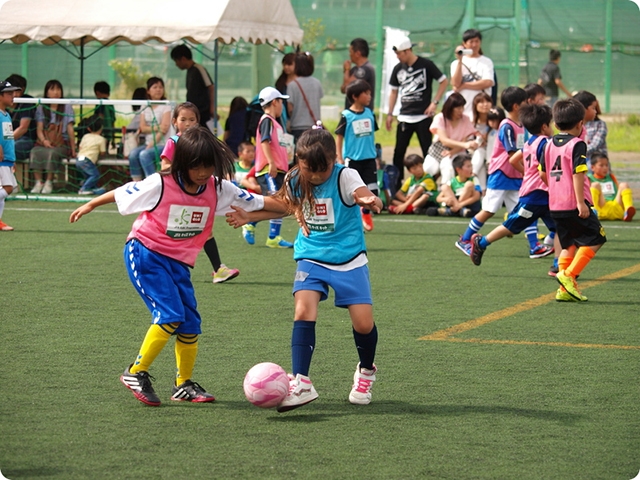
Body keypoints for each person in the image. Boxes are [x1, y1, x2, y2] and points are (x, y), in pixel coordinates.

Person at [69, 126, 285, 406]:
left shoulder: (219, 189)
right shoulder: (160, 183)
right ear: (183, 162)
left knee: (190, 323)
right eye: (197, 166)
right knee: (170, 314)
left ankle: (183, 384)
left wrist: (291, 205)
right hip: (145, 253)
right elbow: (123, 192)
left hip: (178, 263)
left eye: (209, 166)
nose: (204, 172)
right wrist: (91, 204)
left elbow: (259, 202)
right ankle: (135, 372)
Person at [225, 128, 382, 412]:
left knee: (363, 324)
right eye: (309, 170)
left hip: (349, 258)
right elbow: (285, 205)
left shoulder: (345, 175)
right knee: (303, 310)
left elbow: (362, 192)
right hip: (311, 255)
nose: (315, 177)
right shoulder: (296, 177)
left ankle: (366, 371)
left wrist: (369, 199)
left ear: (333, 161)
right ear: (299, 161)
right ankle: (301, 381)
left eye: (321, 171)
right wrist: (251, 216)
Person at [160, 102, 240, 284]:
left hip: (197, 195)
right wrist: (181, 169)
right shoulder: (174, 142)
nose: (188, 124)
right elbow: (164, 166)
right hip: (178, 195)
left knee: (203, 229)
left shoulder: (202, 142)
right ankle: (172, 267)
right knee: (179, 231)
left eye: (192, 119)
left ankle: (218, 269)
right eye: (183, 119)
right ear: (174, 122)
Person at [469, 104, 558, 267]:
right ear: (544, 127)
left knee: (560, 228)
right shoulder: (545, 143)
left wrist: (526, 172)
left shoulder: (530, 142)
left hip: (543, 195)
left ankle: (558, 264)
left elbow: (513, 159)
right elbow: (542, 171)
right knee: (510, 226)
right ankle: (481, 243)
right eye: (550, 124)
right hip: (534, 195)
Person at [540, 98, 607, 302]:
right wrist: (580, 202)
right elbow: (578, 174)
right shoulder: (578, 144)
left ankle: (563, 290)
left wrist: (556, 188)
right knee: (597, 237)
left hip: (556, 203)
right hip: (573, 202)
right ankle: (568, 275)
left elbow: (543, 173)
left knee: (569, 243)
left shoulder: (548, 143)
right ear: (580, 124)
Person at [456, 86, 527, 255]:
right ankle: (465, 239)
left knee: (523, 210)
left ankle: (535, 246)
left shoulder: (522, 125)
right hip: (501, 173)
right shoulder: (507, 125)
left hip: (515, 174)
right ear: (516, 106)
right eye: (525, 102)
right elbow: (512, 155)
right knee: (488, 210)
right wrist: (526, 171)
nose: (528, 104)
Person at [385, 35, 448, 191]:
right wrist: (390, 113)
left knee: (428, 151)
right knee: (398, 152)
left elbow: (444, 81)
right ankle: (397, 184)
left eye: (399, 53)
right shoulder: (398, 68)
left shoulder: (426, 65)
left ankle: (429, 184)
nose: (398, 57)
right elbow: (393, 91)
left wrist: (435, 102)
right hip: (404, 117)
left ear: (407, 51)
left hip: (424, 117)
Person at [335, 79, 379, 231]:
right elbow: (339, 137)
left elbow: (372, 136)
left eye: (370, 93)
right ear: (355, 96)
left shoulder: (370, 114)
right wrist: (339, 157)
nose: (369, 96)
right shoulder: (346, 116)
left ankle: (365, 212)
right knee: (350, 191)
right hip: (353, 160)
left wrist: (376, 156)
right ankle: (350, 219)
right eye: (366, 94)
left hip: (369, 160)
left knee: (373, 191)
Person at [255, 86, 295, 248]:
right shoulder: (267, 121)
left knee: (279, 203)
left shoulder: (274, 123)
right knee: (276, 202)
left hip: (278, 169)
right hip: (268, 169)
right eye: (281, 102)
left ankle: (271, 235)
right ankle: (257, 226)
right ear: (274, 102)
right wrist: (271, 162)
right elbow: (265, 142)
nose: (282, 106)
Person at [29, 79, 77, 194]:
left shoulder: (67, 107)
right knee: (35, 151)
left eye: (58, 89)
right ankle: (39, 182)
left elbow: (70, 129)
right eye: (53, 89)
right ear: (47, 92)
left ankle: (49, 182)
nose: (56, 92)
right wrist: (44, 141)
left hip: (62, 143)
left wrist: (73, 149)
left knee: (52, 153)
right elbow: (39, 129)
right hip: (45, 142)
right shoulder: (41, 107)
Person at [422, 92, 479, 186]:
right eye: (458, 108)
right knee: (428, 168)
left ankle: (447, 192)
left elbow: (464, 140)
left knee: (448, 169)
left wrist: (452, 152)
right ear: (450, 108)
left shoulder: (466, 119)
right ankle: (427, 190)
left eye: (462, 107)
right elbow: (444, 140)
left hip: (458, 151)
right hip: (439, 149)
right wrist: (465, 145)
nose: (461, 110)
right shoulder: (440, 118)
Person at [128, 77, 171, 181]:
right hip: (148, 144)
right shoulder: (145, 105)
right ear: (148, 90)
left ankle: (153, 183)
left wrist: (151, 144)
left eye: (160, 87)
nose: (158, 89)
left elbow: (164, 129)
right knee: (133, 155)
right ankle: (137, 184)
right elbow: (142, 128)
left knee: (144, 154)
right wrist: (158, 127)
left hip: (163, 145)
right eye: (155, 87)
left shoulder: (167, 106)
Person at [450, 29, 495, 120]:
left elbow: (487, 82)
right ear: (464, 44)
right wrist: (460, 60)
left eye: (477, 41)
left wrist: (464, 85)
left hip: (481, 111)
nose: (474, 45)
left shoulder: (486, 61)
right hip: (463, 110)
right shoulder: (455, 63)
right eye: (471, 42)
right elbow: (455, 83)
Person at [170, 44, 215, 128]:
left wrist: (212, 108)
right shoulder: (190, 71)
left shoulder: (199, 69)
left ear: (183, 59)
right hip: (192, 112)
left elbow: (211, 87)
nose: (176, 64)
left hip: (203, 113)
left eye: (176, 61)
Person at [428, 153, 481, 217]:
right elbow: (438, 198)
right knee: (444, 187)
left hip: (470, 205)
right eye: (468, 166)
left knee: (469, 184)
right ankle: (459, 211)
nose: (471, 169)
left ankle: (450, 211)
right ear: (458, 169)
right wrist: (446, 200)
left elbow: (476, 197)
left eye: (471, 166)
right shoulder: (452, 181)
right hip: (457, 203)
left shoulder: (474, 179)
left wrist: (460, 205)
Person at [588, 151, 635, 222]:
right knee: (595, 185)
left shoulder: (611, 177)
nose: (605, 168)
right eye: (601, 165)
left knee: (623, 185)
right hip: (601, 208)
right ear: (592, 167)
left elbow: (618, 190)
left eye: (606, 165)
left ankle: (627, 210)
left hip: (616, 207)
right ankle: (593, 211)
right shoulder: (589, 178)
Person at [286, 52, 324, 142]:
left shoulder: (292, 85)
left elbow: (290, 109)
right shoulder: (317, 83)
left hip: (297, 127)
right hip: (314, 126)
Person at [0, 80, 21, 231]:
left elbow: (7, 138)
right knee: (8, 188)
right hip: (1, 159)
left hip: (7, 159)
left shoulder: (6, 114)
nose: (13, 96)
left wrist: (12, 159)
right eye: (9, 94)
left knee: (10, 187)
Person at [6, 74, 37, 161]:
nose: (14, 94)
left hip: (25, 140)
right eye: (11, 91)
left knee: (11, 149)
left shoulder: (27, 102)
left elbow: (23, 128)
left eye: (17, 91)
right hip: (6, 140)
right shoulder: (4, 102)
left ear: (23, 90)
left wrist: (5, 143)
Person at [340, 38, 376, 110]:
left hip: (360, 114)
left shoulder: (365, 70)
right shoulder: (354, 70)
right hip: (352, 112)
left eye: (351, 52)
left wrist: (347, 70)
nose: (349, 55)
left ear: (357, 53)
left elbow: (347, 87)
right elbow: (343, 89)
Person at [75, 115, 107, 195]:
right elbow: (103, 152)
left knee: (88, 175)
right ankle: (84, 188)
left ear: (88, 128)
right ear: (101, 128)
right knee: (95, 175)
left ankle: (92, 188)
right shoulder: (101, 139)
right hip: (87, 160)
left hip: (78, 160)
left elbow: (80, 147)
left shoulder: (85, 136)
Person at [573, 90, 607, 159]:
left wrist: (575, 152)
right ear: (582, 109)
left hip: (595, 165)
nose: (596, 111)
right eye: (593, 108)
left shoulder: (600, 125)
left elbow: (594, 146)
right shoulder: (573, 126)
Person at [470, 92, 493, 191]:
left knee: (482, 151)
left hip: (492, 152)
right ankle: (483, 192)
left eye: (488, 101)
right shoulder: (471, 122)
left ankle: (472, 174)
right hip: (476, 152)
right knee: (480, 152)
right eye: (481, 102)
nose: (485, 104)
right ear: (475, 105)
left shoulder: (496, 120)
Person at [93, 81, 116, 149]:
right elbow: (113, 121)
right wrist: (113, 138)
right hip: (109, 131)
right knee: (105, 148)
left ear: (97, 93)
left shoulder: (100, 103)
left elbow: (99, 117)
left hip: (101, 132)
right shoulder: (110, 104)